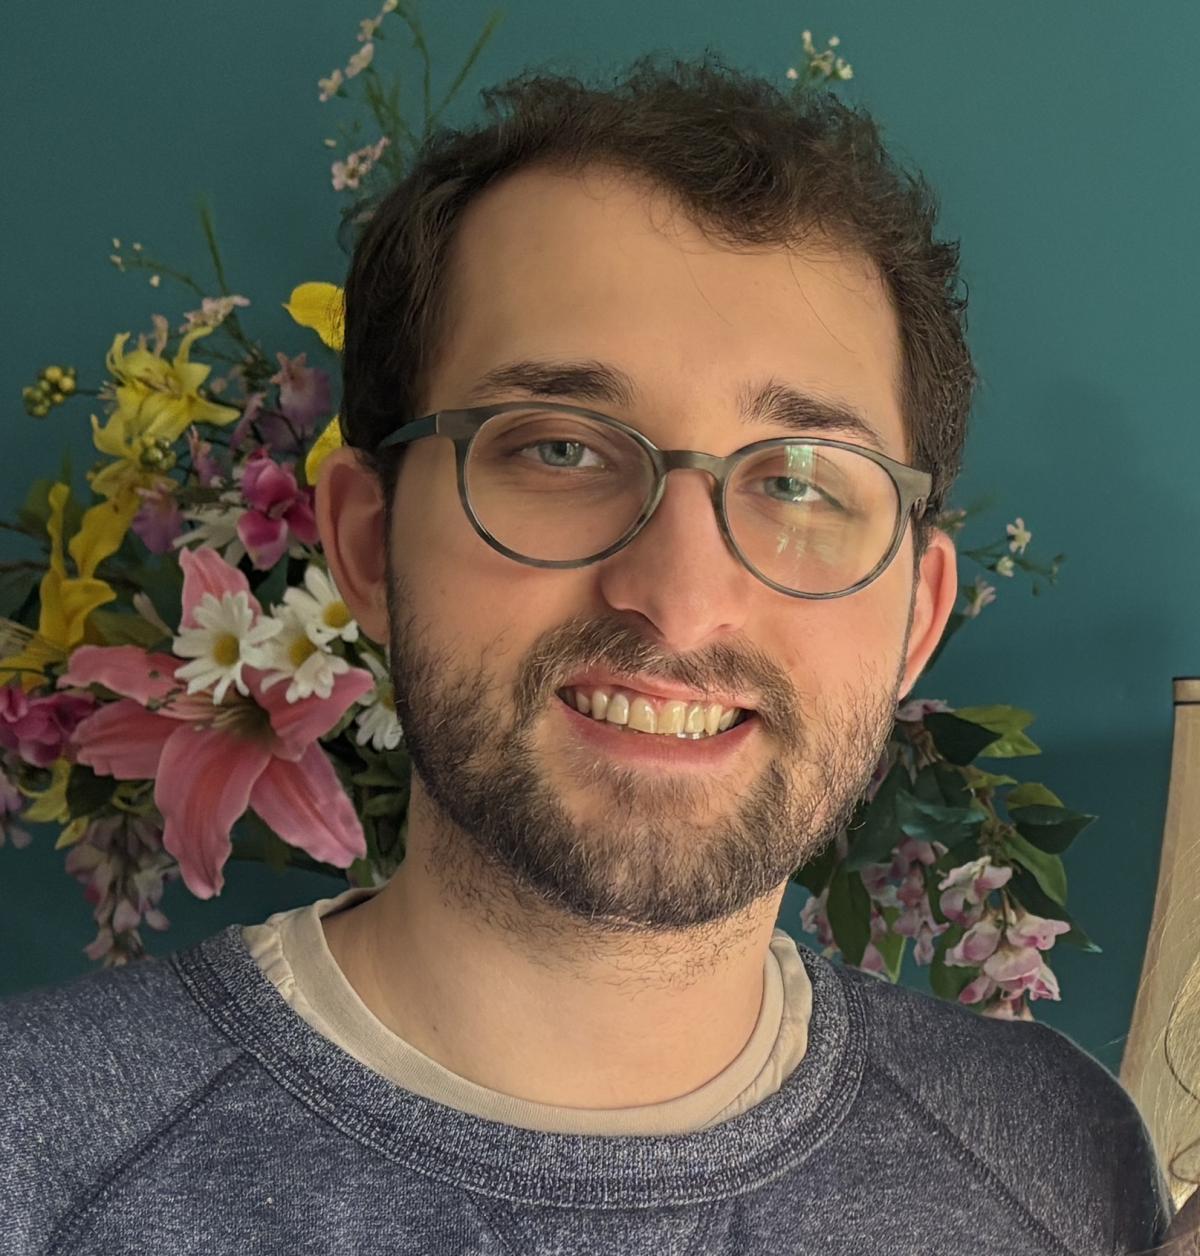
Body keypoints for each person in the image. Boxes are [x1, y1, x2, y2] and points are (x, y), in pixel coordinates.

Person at [1, 55, 1171, 1254]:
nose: (680, 600)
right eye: (559, 448)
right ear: (365, 543)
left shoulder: (1061, 1157)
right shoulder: (32, 1157)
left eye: (799, 480)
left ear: (917, 619)